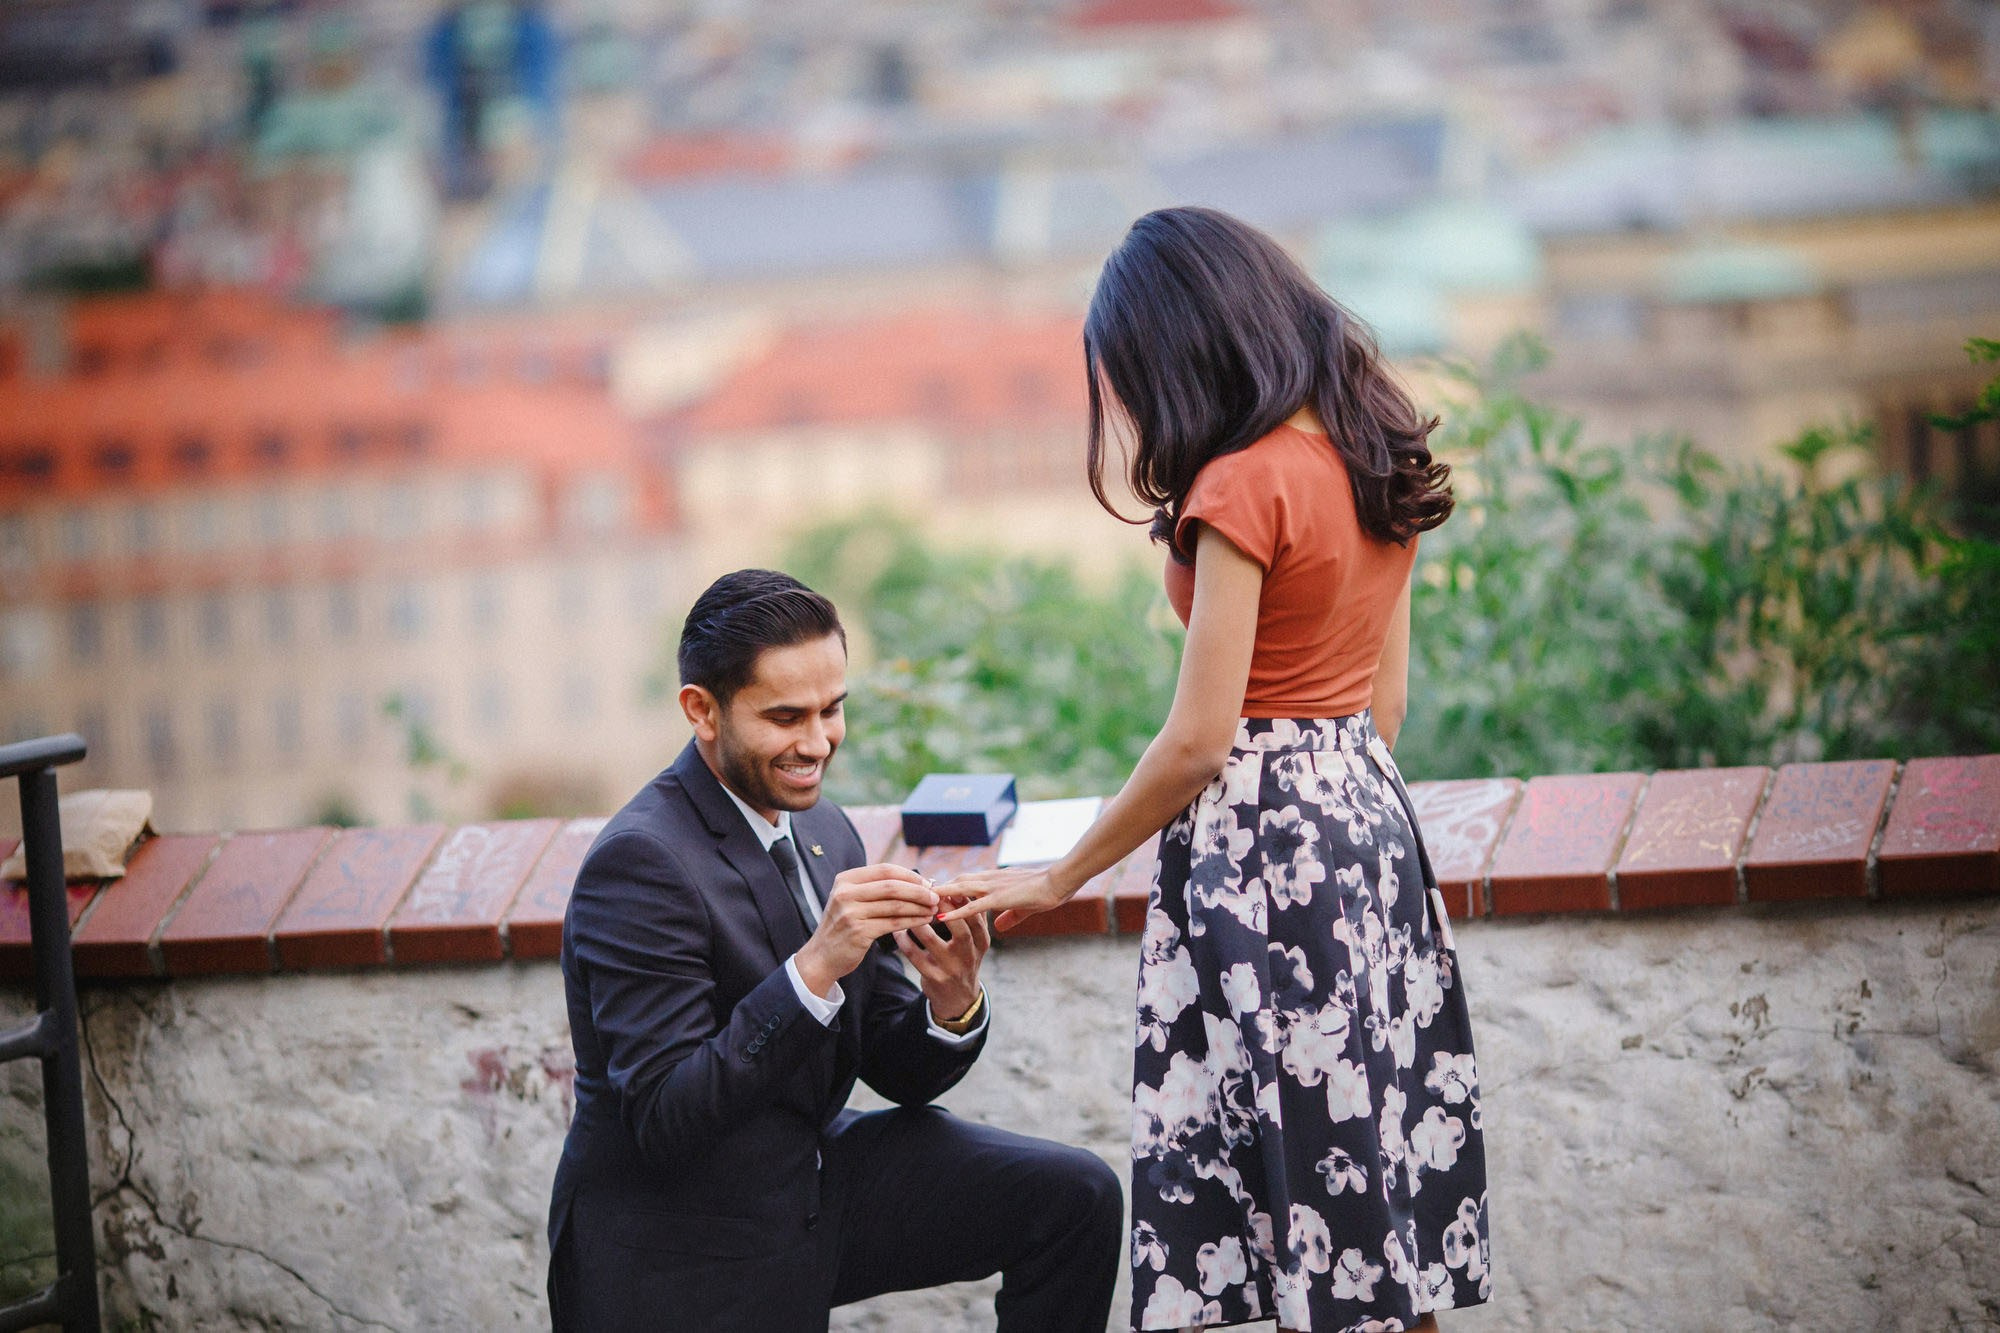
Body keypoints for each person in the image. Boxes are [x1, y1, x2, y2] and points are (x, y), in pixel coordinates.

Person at [943, 207, 1492, 1332]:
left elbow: (1199, 737)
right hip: (1362, 823)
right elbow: (1379, 704)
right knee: (1370, 1189)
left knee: (1303, 1185)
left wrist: (1058, 875)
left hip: (1262, 859)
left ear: (1182, 347)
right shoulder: (1371, 446)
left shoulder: (1239, 485)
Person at [547, 569, 1123, 1332]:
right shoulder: (641, 863)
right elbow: (664, 1118)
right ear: (702, 710)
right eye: (786, 716)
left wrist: (951, 1003)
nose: (818, 742)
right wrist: (814, 968)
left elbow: (896, 1067)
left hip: (811, 1180)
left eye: (832, 709)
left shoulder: (826, 831)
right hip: (683, 1241)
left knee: (1074, 1195)